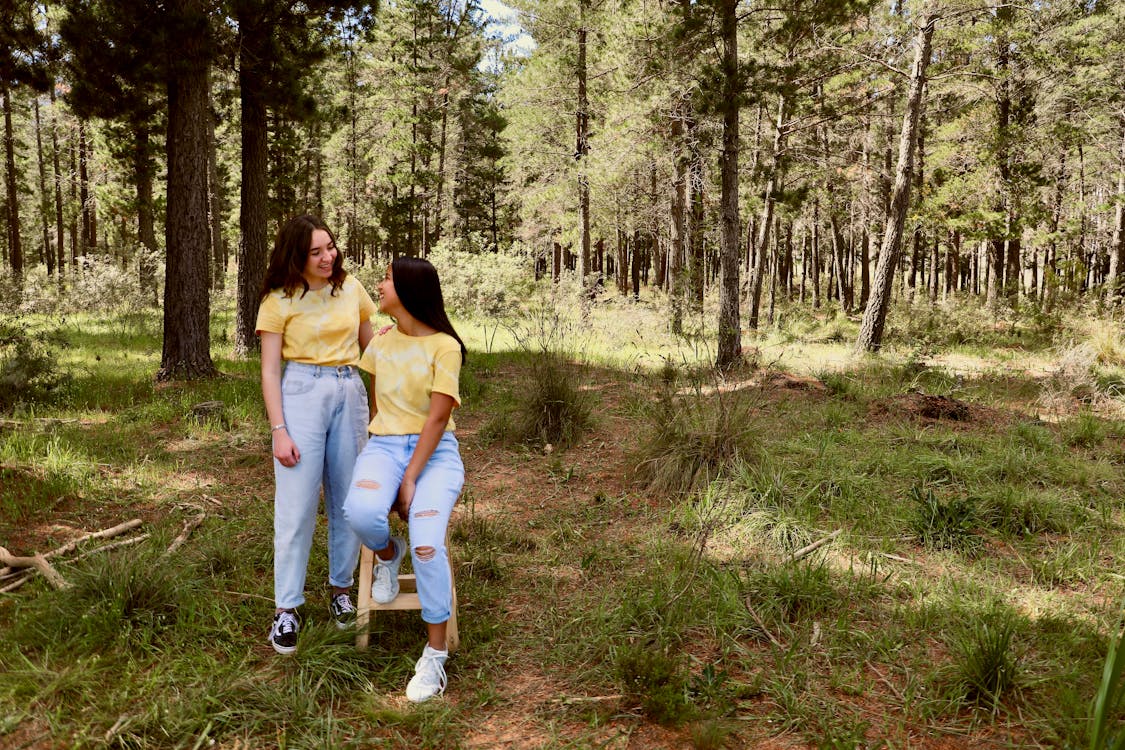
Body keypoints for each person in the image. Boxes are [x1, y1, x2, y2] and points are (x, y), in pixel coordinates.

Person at [343, 256, 467, 703]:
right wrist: (384, 467)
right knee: (360, 512)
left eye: (388, 279)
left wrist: (409, 478)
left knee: (429, 542)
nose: (380, 284)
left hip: (434, 454)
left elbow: (437, 419)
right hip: (384, 447)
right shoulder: (379, 343)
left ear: (410, 290)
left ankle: (434, 656)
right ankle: (388, 554)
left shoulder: (445, 347)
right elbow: (378, 408)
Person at [256, 214, 376, 654]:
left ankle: (341, 590)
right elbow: (269, 370)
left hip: (350, 389)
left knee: (349, 498)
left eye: (331, 247)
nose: (329, 257)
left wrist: (381, 412)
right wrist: (279, 429)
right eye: (316, 252)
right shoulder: (277, 299)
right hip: (301, 394)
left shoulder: (352, 289)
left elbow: (372, 351)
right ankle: (286, 609)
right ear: (296, 257)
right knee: (296, 504)